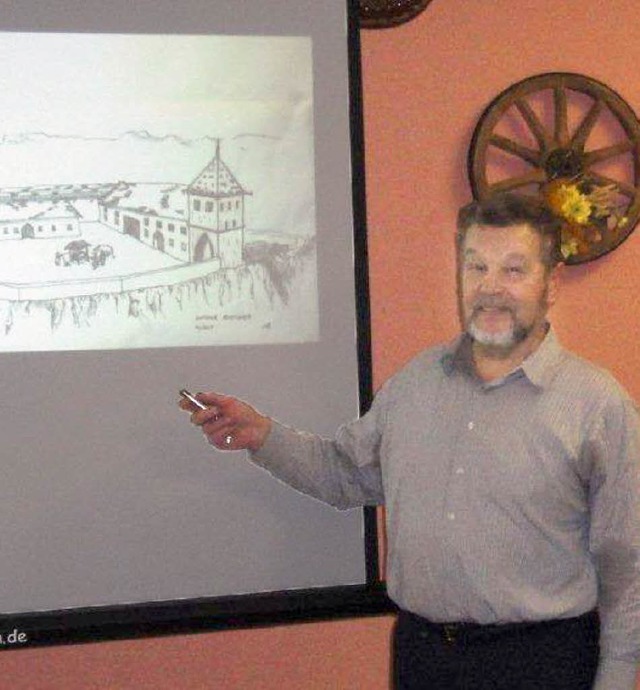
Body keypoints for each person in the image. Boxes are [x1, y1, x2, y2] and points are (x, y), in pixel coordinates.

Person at [180, 193, 640, 690]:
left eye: (513, 270)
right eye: (475, 266)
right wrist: (261, 434)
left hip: (542, 663)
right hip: (424, 657)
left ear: (550, 285)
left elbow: (629, 560)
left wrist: (616, 676)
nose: (490, 288)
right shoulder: (416, 384)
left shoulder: (597, 406)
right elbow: (344, 473)